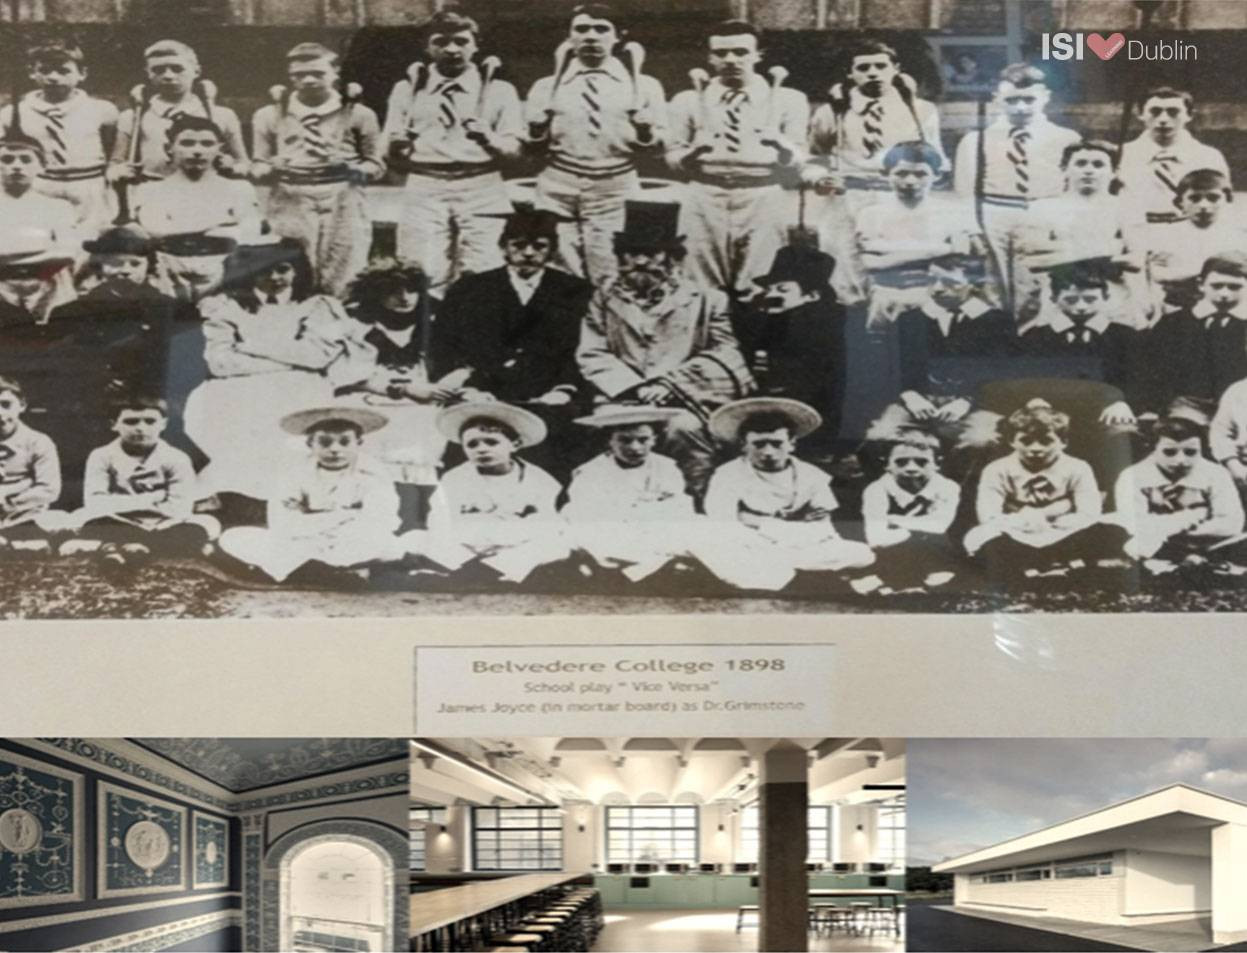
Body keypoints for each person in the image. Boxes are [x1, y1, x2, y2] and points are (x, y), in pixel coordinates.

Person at [577, 200, 753, 494]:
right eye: (632, 254)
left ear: (672, 258)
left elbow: (726, 352)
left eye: (651, 253)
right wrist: (633, 387)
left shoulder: (707, 300)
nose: (641, 262)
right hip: (621, 396)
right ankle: (615, 505)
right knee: (613, 430)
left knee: (685, 430)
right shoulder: (604, 299)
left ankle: (696, 500)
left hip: (681, 398)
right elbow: (592, 351)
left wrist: (671, 383)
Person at [182, 237, 373, 505]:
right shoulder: (226, 306)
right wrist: (290, 359)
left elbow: (316, 356)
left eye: (283, 269)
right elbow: (221, 362)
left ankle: (299, 496)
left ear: (296, 270)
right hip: (237, 387)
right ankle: (236, 497)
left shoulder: (318, 305)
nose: (274, 277)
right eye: (264, 270)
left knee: (291, 421)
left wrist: (251, 345)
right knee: (232, 420)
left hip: (300, 384)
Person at [432, 202, 594, 478]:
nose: (529, 253)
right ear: (503, 247)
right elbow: (442, 346)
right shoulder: (470, 289)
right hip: (482, 392)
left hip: (550, 395)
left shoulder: (576, 291)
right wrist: (465, 389)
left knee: (564, 449)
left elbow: (588, 349)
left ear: (552, 249)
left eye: (539, 246)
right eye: (519, 245)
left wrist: (565, 389)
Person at [524, 2, 667, 283]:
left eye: (601, 29)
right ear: (569, 37)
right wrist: (538, 129)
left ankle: (607, 326)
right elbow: (530, 152)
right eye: (581, 29)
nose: (591, 36)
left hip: (615, 189)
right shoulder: (547, 86)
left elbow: (659, 151)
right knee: (557, 272)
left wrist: (645, 132)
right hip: (557, 188)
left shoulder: (644, 86)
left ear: (618, 36)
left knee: (610, 272)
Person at [665, 19, 808, 296]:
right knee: (698, 282)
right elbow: (672, 159)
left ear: (758, 55)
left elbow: (799, 160)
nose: (731, 59)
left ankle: (755, 339)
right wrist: (695, 152)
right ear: (709, 57)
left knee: (761, 281)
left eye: (741, 52)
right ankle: (709, 339)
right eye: (721, 53)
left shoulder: (789, 99)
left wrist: (781, 147)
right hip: (704, 196)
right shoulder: (688, 100)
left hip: (762, 196)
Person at [383, 10, 522, 294]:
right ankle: (427, 334)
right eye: (441, 41)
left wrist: (489, 139)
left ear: (476, 45)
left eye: (461, 41)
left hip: (482, 185)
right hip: (425, 184)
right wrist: (398, 147)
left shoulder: (499, 90)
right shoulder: (408, 89)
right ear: (427, 47)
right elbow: (387, 153)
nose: (451, 49)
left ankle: (476, 336)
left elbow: (515, 152)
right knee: (420, 267)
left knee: (483, 269)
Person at [250, 42, 385, 296]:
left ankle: (338, 326)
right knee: (295, 269)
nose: (309, 80)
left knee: (344, 270)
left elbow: (376, 165)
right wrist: (269, 167)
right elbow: (257, 164)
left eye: (318, 73)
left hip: (343, 195)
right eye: (299, 75)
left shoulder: (359, 113)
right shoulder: (269, 114)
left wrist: (355, 169)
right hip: (290, 195)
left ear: (335, 73)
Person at [702, 397, 875, 590]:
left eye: (777, 444)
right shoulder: (727, 474)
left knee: (861, 553)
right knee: (712, 539)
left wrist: (757, 521)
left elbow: (822, 529)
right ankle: (805, 579)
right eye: (759, 444)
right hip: (750, 543)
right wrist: (784, 526)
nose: (768, 452)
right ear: (744, 445)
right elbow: (723, 522)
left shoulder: (812, 476)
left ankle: (782, 574)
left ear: (792, 443)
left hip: (799, 545)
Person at [217, 407, 403, 583]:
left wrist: (316, 519)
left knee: (391, 545)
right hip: (303, 542)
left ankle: (311, 571)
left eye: (345, 442)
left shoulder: (373, 473)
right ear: (310, 444)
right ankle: (333, 573)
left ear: (359, 443)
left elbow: (381, 519)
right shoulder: (294, 474)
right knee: (234, 537)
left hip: (350, 540)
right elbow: (283, 522)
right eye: (325, 442)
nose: (335, 449)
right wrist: (344, 516)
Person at [953, 64, 1080, 314]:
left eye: (1029, 99)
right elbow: (966, 192)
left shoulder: (1066, 138)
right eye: (1012, 100)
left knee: (1040, 282)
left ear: (1045, 97)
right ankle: (999, 342)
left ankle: (1040, 339)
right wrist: (971, 230)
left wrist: (1064, 223)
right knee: (994, 287)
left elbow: (1072, 188)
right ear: (997, 99)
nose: (1021, 107)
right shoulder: (976, 140)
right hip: (994, 215)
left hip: (1044, 212)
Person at [46, 395, 219, 571]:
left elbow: (179, 508)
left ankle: (117, 547)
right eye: (131, 421)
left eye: (150, 421)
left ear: (163, 424)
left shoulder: (177, 458)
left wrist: (119, 502)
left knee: (203, 526)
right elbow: (95, 503)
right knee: (86, 520)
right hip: (117, 521)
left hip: (166, 523)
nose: (140, 428)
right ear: (114, 424)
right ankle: (147, 547)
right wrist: (155, 497)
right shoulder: (101, 456)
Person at [403, 402, 570, 584]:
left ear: (515, 444)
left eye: (491, 442)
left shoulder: (539, 479)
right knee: (416, 538)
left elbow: (548, 521)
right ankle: (474, 571)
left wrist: (511, 533)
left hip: (515, 543)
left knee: (558, 545)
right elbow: (441, 519)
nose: (481, 449)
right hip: (467, 543)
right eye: (472, 445)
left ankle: (482, 572)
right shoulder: (454, 479)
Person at [964, 399, 1122, 581]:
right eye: (1026, 441)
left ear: (1063, 441)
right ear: (1011, 441)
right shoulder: (996, 469)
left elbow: (1089, 512)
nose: (1035, 448)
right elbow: (989, 515)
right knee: (978, 536)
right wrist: (1031, 520)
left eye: (1046, 441)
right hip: (1016, 531)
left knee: (1112, 527)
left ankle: (1050, 564)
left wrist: (1061, 522)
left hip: (1063, 530)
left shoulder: (1078, 467)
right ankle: (1050, 565)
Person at [561, 403, 699, 583]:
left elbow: (678, 507)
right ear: (609, 441)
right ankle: (634, 569)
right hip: (613, 530)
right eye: (625, 440)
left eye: (643, 440)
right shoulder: (591, 472)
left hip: (652, 530)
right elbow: (587, 512)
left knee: (695, 526)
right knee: (578, 529)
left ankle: (636, 568)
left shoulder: (666, 467)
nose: (635, 447)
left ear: (654, 439)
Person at [734, 242, 848, 459]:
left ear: (812, 296)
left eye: (782, 289)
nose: (771, 295)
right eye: (769, 289)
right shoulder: (773, 323)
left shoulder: (821, 324)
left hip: (821, 423)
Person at [805, 40, 944, 212]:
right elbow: (814, 157)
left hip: (900, 198)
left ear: (896, 69)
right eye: (863, 68)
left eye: (881, 66)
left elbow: (934, 158)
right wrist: (820, 178)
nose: (873, 73)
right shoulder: (832, 111)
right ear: (850, 73)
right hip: (847, 198)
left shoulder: (921, 110)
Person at [132, 115, 258, 301]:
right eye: (187, 143)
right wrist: (221, 225)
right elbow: (156, 229)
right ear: (169, 148)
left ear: (219, 149)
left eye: (207, 144)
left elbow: (249, 233)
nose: (197, 151)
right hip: (168, 275)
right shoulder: (151, 190)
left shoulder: (239, 188)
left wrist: (181, 228)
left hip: (224, 274)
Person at [853, 140, 978, 328]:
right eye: (901, 173)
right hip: (886, 298)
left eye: (921, 174)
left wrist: (889, 252)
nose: (910, 181)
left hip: (935, 301)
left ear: (936, 175)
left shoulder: (954, 212)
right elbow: (871, 263)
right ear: (887, 174)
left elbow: (962, 256)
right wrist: (938, 250)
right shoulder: (871, 214)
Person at [1022, 140, 1143, 329]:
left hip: (1114, 298)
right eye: (1080, 163)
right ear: (1064, 169)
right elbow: (1033, 261)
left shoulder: (1126, 208)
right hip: (1061, 298)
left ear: (1114, 172)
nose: (1089, 170)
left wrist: (1060, 253)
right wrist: (1108, 248)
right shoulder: (1043, 208)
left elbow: (1136, 261)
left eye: (1098, 164)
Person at [1110, 411, 1244, 566]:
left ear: (1202, 449)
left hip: (1210, 544)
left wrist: (1166, 530)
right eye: (1169, 452)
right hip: (1153, 546)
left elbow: (1231, 524)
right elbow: (1134, 525)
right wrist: (1191, 518)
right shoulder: (1132, 476)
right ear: (1153, 448)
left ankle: (1195, 561)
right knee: (1116, 534)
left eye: (1191, 452)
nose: (1181, 460)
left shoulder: (1215, 474)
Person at [109, 39, 248, 183]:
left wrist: (232, 168)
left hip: (204, 192)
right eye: (158, 70)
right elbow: (115, 163)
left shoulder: (222, 115)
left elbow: (244, 164)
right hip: (153, 191)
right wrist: (119, 172)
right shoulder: (133, 117)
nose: (168, 76)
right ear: (148, 73)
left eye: (177, 69)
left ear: (196, 71)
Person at [17, 40, 118, 232]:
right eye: (45, 70)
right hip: (42, 186)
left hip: (90, 187)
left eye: (64, 71)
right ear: (32, 72)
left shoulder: (102, 110)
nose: (53, 77)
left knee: (92, 240)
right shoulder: (15, 113)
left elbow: (110, 148)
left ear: (82, 73)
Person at [1144, 253, 1247, 414]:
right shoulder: (1173, 323)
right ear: (1201, 284)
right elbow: (1153, 371)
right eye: (1217, 286)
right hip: (1184, 410)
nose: (1225, 294)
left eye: (1234, 287)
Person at [1139, 169, 1247, 317]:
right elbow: (1160, 275)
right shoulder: (1164, 234)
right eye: (1194, 198)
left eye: (1213, 198)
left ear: (1227, 199)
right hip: (1177, 307)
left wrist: (1186, 273)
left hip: (1226, 308)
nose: (1203, 205)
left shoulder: (1239, 236)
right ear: (1180, 202)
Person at [861, 429, 961, 590]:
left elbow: (939, 525)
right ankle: (895, 579)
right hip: (890, 552)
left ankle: (925, 578)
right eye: (901, 462)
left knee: (936, 540)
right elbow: (875, 538)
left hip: (932, 552)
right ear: (887, 464)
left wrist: (893, 519)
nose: (911, 468)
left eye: (921, 462)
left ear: (937, 464)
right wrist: (909, 530)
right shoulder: (876, 489)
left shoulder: (947, 487)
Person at [1119, 86, 1230, 227]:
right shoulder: (1123, 155)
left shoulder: (1208, 157)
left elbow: (1222, 207)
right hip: (1136, 235)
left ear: (1189, 115)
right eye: (1155, 112)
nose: (1163, 119)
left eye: (1173, 112)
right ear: (1140, 114)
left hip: (1192, 236)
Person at [0, 115, 78, 250]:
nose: (17, 166)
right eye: (7, 160)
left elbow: (68, 252)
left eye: (25, 160)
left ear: (41, 166)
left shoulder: (59, 209)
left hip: (43, 270)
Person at [0, 376, 60, 543]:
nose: (0, 413)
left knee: (55, 521)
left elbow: (49, 489)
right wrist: (23, 484)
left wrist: (8, 501)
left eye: (6, 405)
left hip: (25, 513)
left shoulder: (39, 442)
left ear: (22, 405)